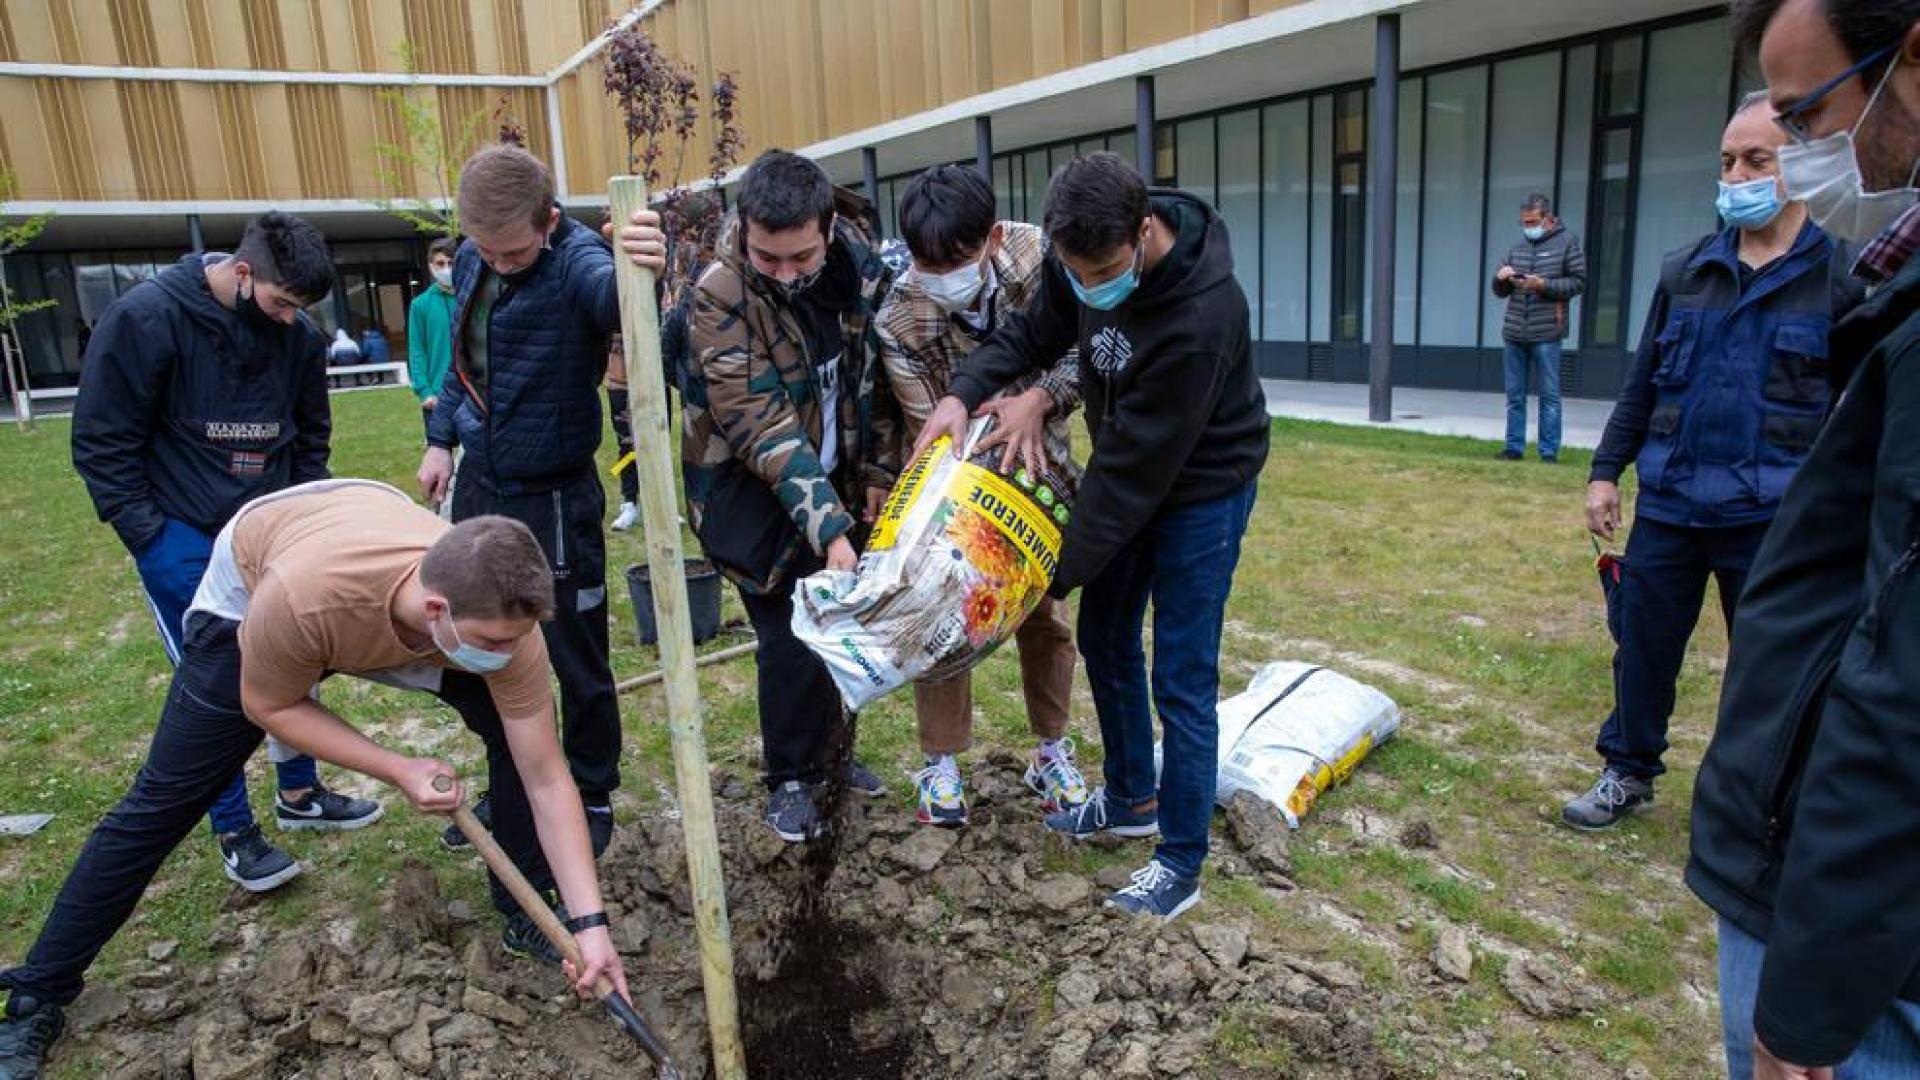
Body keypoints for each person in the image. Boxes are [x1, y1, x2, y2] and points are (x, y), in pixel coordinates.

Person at [0, 482, 634, 1078]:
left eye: (514, 640)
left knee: (512, 732)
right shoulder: (303, 601)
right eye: (494, 642)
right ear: (438, 610)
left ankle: (526, 909)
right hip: (265, 579)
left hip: (370, 541)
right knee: (167, 798)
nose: (508, 654)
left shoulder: (504, 627)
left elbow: (547, 776)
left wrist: (591, 925)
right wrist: (397, 766)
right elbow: (269, 706)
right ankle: (37, 992)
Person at [916, 152, 1270, 922]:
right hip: (1132, 464)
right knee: (1108, 637)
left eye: (1103, 270)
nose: (1087, 287)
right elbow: (1031, 333)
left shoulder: (1203, 316)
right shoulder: (1078, 256)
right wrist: (960, 394)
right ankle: (1131, 798)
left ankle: (1178, 861)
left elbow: (1131, 482)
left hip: (1202, 487)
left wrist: (1042, 573)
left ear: (1144, 232)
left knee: (1180, 672)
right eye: (1074, 272)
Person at [1691, 1, 1920, 1077]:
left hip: (1835, 909)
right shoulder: (1892, 281)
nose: (1793, 151)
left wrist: (1813, 994)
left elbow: (1899, 690)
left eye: (1807, 113)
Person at [1565, 94, 1865, 833]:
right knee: (1641, 648)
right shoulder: (1684, 273)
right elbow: (1641, 385)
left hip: (1771, 516)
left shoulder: (1841, 278)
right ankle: (1627, 771)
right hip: (1671, 502)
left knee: (1771, 670)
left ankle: (1759, 800)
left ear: (1795, 167)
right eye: (1728, 161)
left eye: (1756, 161)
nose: (1737, 176)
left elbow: (1859, 414)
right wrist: (1606, 471)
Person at [69, 211, 380, 895]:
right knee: (217, 684)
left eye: (300, 310)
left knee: (295, 648)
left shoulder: (294, 335)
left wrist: (305, 520)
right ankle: (235, 830)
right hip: (179, 533)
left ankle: (299, 796)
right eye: (279, 303)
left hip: (270, 525)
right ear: (242, 274)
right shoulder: (146, 320)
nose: (287, 321)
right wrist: (150, 537)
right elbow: (101, 440)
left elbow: (309, 437)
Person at [415, 146, 668, 856]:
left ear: (549, 221)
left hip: (555, 499)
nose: (496, 265)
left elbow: (624, 303)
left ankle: (589, 787)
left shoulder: (580, 263)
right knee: (483, 645)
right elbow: (458, 362)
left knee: (574, 650)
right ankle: (512, 784)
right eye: (483, 252)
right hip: (481, 486)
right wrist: (441, 440)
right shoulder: (474, 257)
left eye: (513, 254)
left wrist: (648, 261)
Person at [683, 149, 900, 842]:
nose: (784, 273)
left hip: (838, 471)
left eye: (800, 258)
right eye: (767, 258)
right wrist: (830, 529)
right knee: (786, 631)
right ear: (745, 229)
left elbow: (879, 381)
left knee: (840, 623)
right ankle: (790, 778)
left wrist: (872, 476)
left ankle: (834, 757)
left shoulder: (863, 267)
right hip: (748, 485)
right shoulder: (720, 292)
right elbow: (760, 425)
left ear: (829, 227)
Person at [874, 164, 1089, 827]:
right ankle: (940, 762)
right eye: (925, 262)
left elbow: (1091, 350)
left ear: (993, 238)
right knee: (943, 608)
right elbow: (931, 422)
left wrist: (1036, 400)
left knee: (1046, 613)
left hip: (1044, 458)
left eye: (958, 259)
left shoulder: (1042, 258)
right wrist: (989, 417)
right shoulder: (898, 316)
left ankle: (1051, 749)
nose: (942, 274)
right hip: (956, 476)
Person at [1490, 194, 1586, 463]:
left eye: (1532, 221)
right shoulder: (1517, 248)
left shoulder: (1568, 244)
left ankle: (1548, 452)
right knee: (1515, 395)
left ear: (1547, 219)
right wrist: (1501, 279)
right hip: (1515, 331)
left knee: (1550, 396)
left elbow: (1578, 282)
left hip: (1547, 332)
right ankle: (1513, 448)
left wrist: (1542, 285)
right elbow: (1499, 291)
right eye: (1524, 222)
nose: (1527, 226)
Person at [407, 237, 458, 442]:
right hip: (437, 396)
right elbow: (417, 350)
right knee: (440, 458)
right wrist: (424, 391)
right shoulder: (420, 305)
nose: (446, 269)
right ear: (431, 267)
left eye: (451, 263)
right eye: (440, 264)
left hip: (473, 392)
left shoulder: (471, 297)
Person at [604, 335, 641, 532]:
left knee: (657, 445)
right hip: (620, 382)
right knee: (627, 446)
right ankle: (629, 502)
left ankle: (659, 501)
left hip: (654, 382)